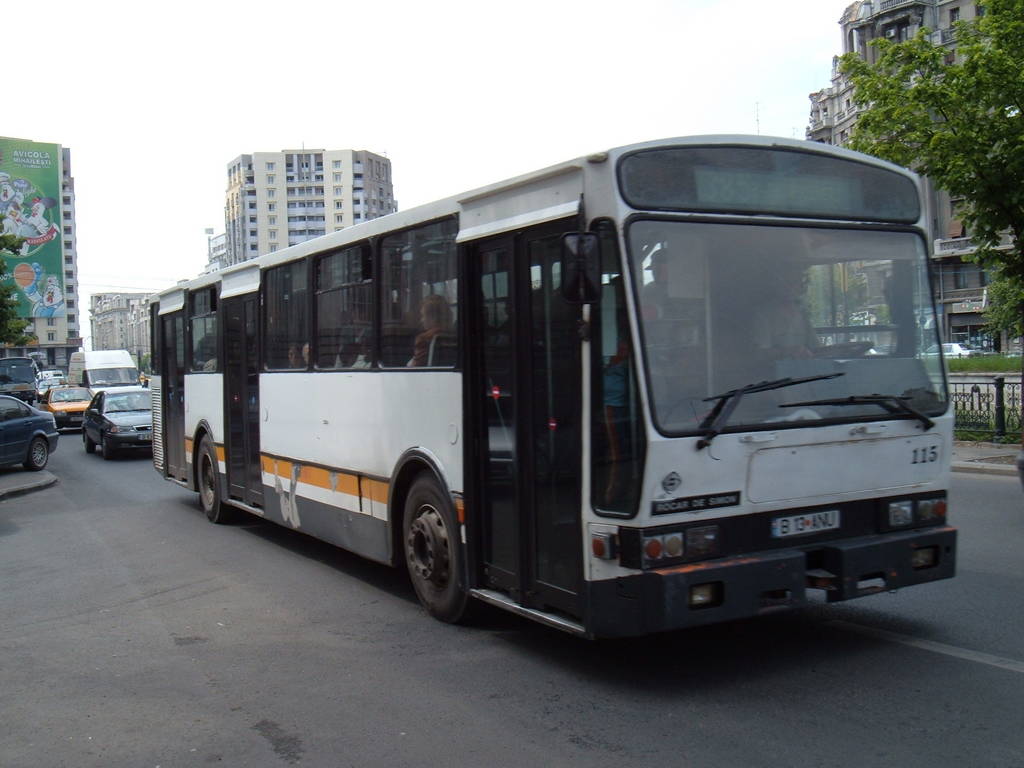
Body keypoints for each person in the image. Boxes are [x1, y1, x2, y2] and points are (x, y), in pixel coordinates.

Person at [407, 294, 452, 367]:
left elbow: (415, 367)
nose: (421, 320)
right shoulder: (453, 335)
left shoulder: (424, 339)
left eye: (423, 316)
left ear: (433, 317)